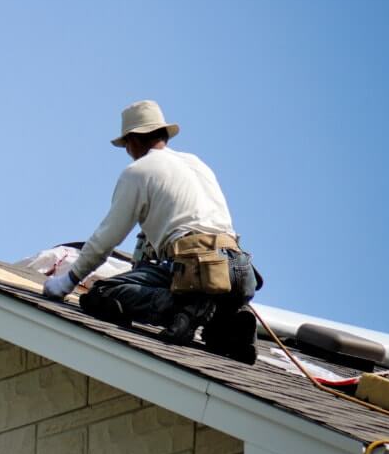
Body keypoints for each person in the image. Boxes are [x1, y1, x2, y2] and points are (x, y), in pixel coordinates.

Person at [42, 100, 260, 363]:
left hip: (194, 269)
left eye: (126, 145)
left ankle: (183, 308)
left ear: (134, 140)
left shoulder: (139, 172)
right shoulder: (196, 163)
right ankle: (227, 322)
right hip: (237, 271)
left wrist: (67, 282)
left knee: (102, 294)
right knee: (210, 319)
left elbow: (106, 239)